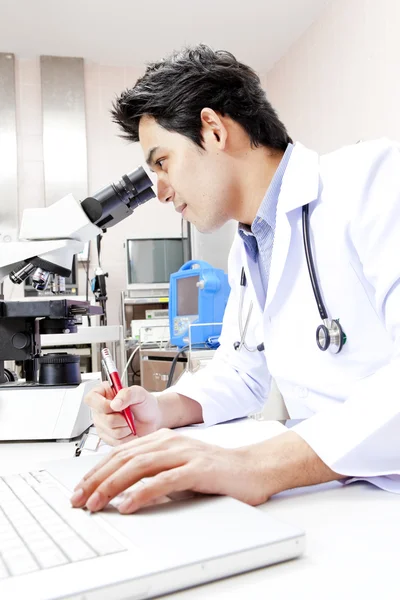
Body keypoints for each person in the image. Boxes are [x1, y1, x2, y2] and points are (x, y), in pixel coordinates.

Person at [71, 45, 400, 514]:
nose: (160, 191)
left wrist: (256, 464)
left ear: (214, 129)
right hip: (339, 490)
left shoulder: (372, 179)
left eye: (162, 162)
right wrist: (160, 410)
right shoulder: (247, 247)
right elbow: (243, 370)